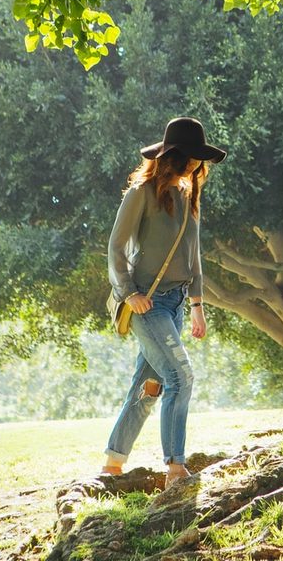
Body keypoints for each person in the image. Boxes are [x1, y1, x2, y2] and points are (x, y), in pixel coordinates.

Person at [102, 117, 226, 487]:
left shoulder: (189, 197)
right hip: (146, 302)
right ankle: (175, 467)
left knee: (148, 386)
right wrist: (129, 292)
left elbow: (194, 256)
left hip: (174, 304)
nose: (196, 165)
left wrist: (198, 306)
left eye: (199, 160)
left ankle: (112, 462)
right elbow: (116, 247)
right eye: (191, 157)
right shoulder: (141, 193)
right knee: (180, 375)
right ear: (174, 155)